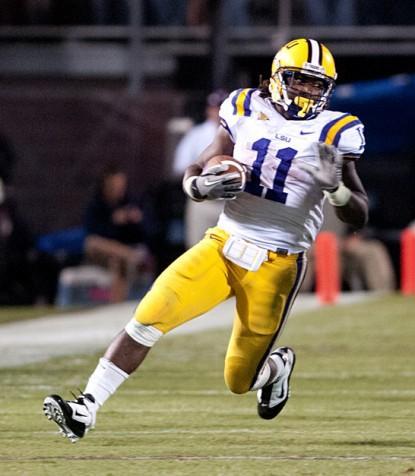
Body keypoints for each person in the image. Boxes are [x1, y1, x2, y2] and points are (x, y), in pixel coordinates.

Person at [43, 38, 369, 442]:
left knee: (239, 378)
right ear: (276, 77)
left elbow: (359, 211)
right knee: (148, 317)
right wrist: (198, 185)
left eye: (316, 85)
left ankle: (276, 369)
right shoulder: (245, 105)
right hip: (224, 243)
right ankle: (85, 408)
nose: (307, 91)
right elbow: (203, 162)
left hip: (278, 264)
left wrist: (335, 188)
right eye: (299, 80)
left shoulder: (338, 129)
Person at [83, 164, 153, 303]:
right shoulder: (96, 206)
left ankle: (115, 306)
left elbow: (147, 232)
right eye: (115, 186)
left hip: (121, 255)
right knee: (93, 243)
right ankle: (127, 254)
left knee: (117, 261)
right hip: (102, 253)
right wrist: (113, 222)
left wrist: (134, 221)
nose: (119, 189)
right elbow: (93, 233)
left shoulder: (131, 202)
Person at [173, 89, 228, 248]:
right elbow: (180, 167)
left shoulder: (241, 134)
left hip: (231, 202)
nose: (217, 112)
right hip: (203, 201)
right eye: (215, 107)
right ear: (208, 109)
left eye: (221, 107)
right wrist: (201, 177)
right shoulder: (196, 134)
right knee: (196, 250)